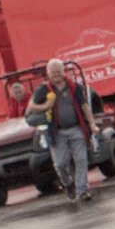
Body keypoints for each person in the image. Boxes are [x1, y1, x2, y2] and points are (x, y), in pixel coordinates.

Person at [25, 58, 97, 202]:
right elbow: (31, 107)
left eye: (59, 71)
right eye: (53, 72)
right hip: (56, 132)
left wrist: (92, 124)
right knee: (60, 164)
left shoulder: (74, 87)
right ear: (48, 73)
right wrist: (46, 106)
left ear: (63, 72)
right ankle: (68, 183)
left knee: (81, 159)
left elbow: (84, 106)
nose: (56, 74)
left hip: (76, 129)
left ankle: (83, 190)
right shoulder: (43, 89)